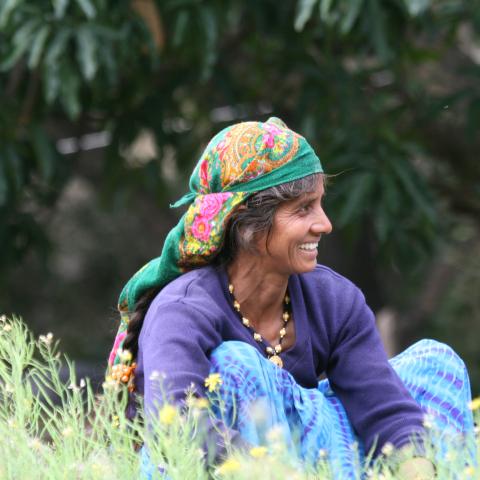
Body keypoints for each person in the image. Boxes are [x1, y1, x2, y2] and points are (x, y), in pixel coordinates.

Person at [108, 118, 474, 479]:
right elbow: (177, 426)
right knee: (236, 363)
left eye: (320, 205)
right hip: (214, 468)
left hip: (308, 461)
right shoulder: (183, 308)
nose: (325, 224)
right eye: (303, 209)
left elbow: (385, 411)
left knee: (434, 364)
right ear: (247, 223)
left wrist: (418, 471)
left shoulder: (334, 299)